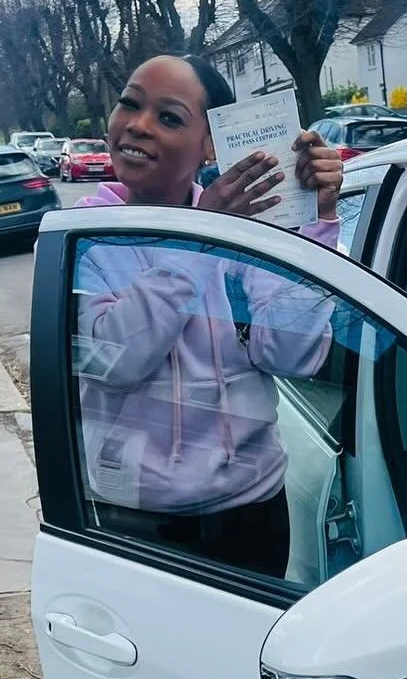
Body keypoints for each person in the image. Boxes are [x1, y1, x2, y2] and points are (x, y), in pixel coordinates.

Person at [72, 54, 345, 577]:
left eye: (169, 117)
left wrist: (319, 222)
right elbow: (116, 358)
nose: (138, 125)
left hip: (250, 507)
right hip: (134, 518)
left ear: (210, 145)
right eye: (130, 103)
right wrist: (201, 237)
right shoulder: (81, 238)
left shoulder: (245, 230)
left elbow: (292, 351)